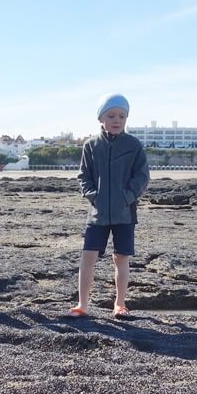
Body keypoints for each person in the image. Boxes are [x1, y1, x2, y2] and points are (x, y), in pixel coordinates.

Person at [68, 93, 150, 318]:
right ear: (101, 118)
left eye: (122, 116)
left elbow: (142, 176)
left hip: (125, 213)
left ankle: (120, 304)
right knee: (88, 258)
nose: (117, 120)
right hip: (97, 214)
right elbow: (83, 175)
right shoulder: (91, 145)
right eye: (111, 115)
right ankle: (82, 304)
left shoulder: (133, 145)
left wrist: (127, 197)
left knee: (120, 258)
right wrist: (94, 196)